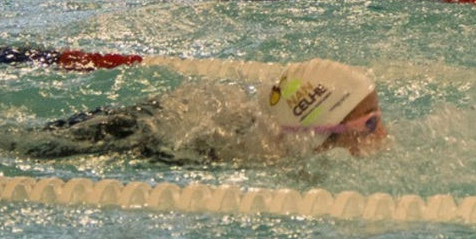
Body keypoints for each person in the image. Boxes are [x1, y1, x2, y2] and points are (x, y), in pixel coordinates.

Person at [24, 60, 388, 163]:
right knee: (32, 145)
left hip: (168, 118)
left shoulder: (286, 138)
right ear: (321, 130)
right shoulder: (262, 154)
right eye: (370, 124)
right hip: (142, 130)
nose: (384, 133)